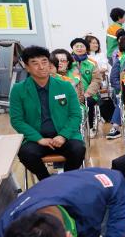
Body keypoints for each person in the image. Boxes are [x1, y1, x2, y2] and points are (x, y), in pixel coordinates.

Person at [11, 46, 86, 181]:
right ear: (27, 67)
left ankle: (66, 182)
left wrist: (63, 136)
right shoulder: (18, 90)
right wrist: (39, 139)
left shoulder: (65, 86)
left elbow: (75, 115)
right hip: (37, 139)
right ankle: (47, 182)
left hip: (65, 136)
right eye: (35, 63)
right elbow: (17, 120)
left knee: (78, 149)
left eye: (44, 62)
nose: (41, 67)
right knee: (26, 153)